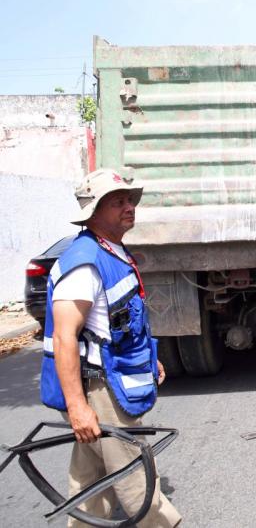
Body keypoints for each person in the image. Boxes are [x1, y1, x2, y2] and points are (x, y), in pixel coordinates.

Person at [40, 169, 181, 527]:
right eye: (117, 201)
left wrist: (149, 360)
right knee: (138, 479)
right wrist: (78, 408)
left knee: (91, 482)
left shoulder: (110, 251)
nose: (129, 206)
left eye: (129, 199)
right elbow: (64, 337)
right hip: (101, 391)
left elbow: (117, 325)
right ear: (94, 212)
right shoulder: (84, 262)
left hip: (107, 383)